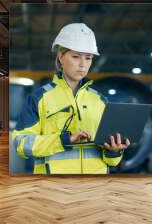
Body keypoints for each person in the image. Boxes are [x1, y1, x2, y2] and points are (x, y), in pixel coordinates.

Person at [12, 23, 130, 174]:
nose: (83, 64)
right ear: (61, 57)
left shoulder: (100, 101)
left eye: (88, 58)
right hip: (54, 189)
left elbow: (110, 162)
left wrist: (113, 151)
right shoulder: (39, 98)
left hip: (95, 189)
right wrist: (63, 140)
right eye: (76, 57)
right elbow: (20, 143)